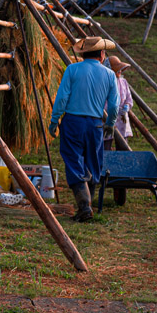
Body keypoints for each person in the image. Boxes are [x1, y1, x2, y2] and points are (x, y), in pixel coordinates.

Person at [48, 37, 119, 222]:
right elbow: (113, 106)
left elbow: (62, 98)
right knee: (93, 163)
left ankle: (84, 207)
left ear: (82, 54)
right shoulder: (110, 75)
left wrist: (54, 121)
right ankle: (87, 208)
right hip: (95, 125)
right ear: (102, 54)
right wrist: (110, 123)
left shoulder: (73, 69)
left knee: (73, 161)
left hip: (72, 122)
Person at [103, 56, 133, 150]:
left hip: (122, 119)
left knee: (123, 147)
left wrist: (126, 108)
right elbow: (102, 103)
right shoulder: (103, 84)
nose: (120, 71)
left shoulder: (123, 82)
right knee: (105, 147)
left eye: (120, 69)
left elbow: (128, 99)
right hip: (106, 118)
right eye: (117, 69)